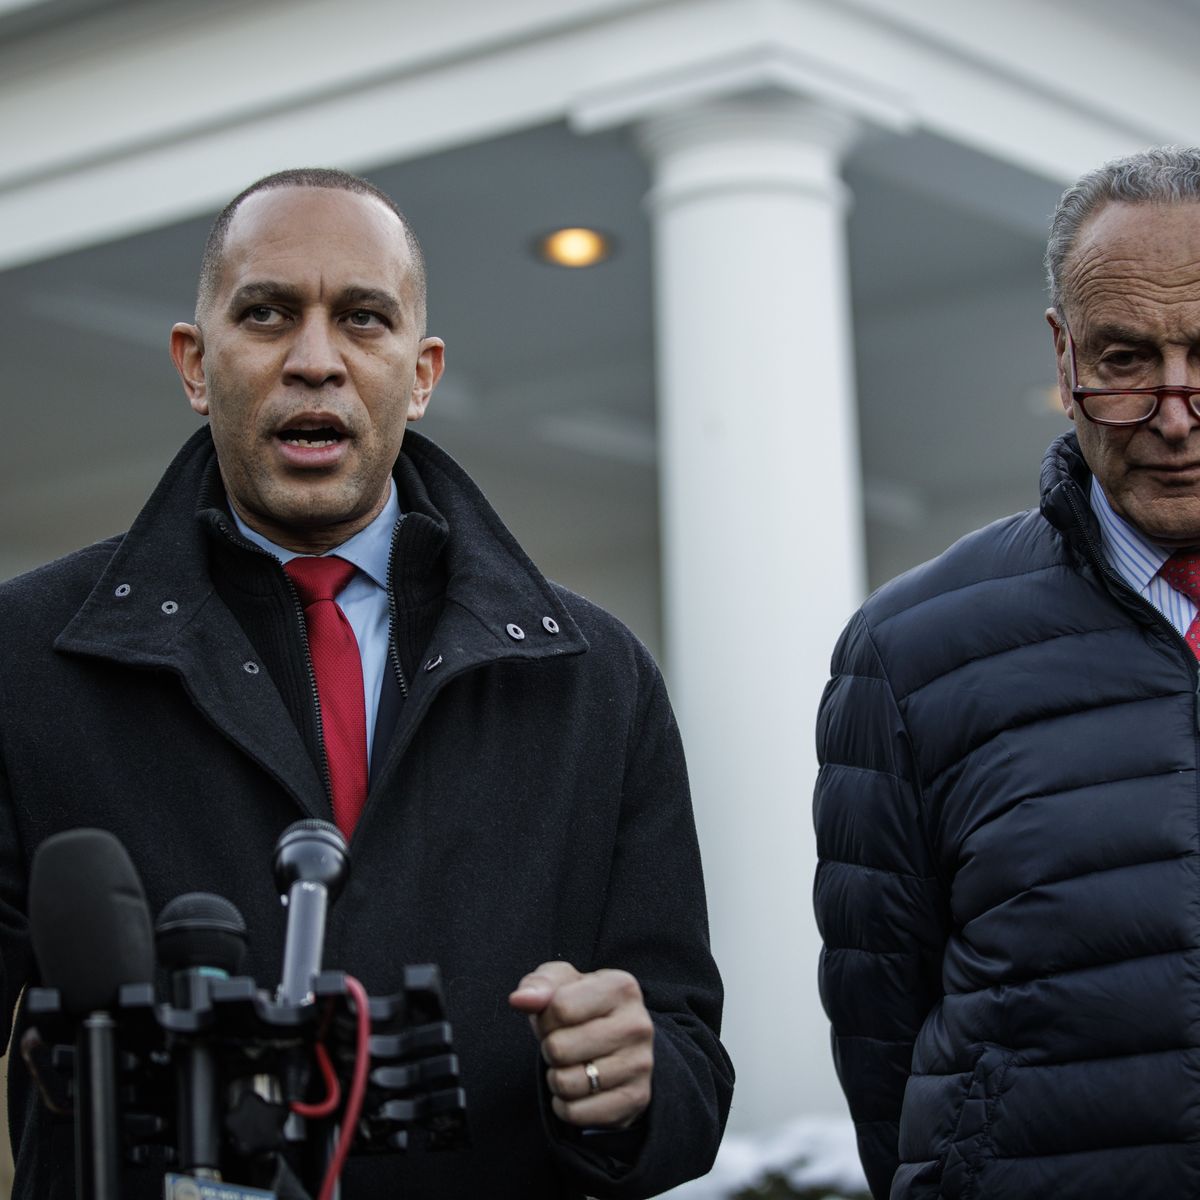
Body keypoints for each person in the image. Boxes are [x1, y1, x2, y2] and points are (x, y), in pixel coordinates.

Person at [0, 168, 732, 1199]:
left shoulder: (595, 678)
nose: (315, 360)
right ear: (195, 364)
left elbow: (687, 1062)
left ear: (420, 374)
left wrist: (623, 1080)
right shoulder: (25, 657)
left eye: (363, 318)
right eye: (266, 314)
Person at [815, 146, 1200, 1200]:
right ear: (1064, 356)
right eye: (1127, 360)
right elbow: (880, 1031)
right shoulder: (907, 653)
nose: (1175, 415)